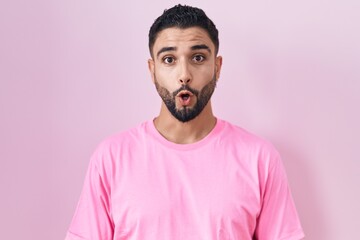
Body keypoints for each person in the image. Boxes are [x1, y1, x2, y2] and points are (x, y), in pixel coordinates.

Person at [65, 4, 304, 240]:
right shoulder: (111, 158)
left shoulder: (259, 158)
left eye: (198, 57)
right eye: (169, 59)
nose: (184, 74)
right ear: (152, 70)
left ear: (217, 67)